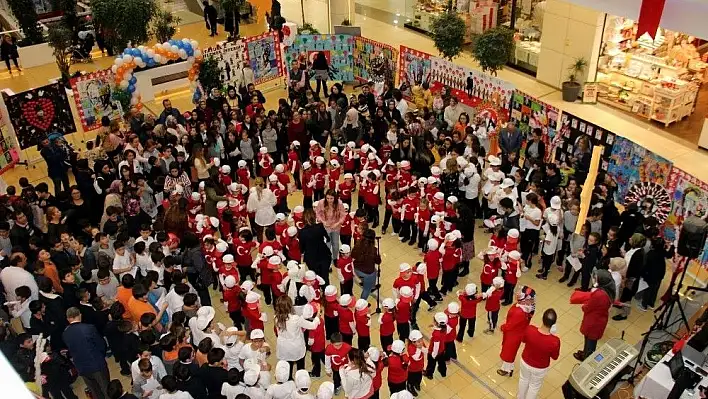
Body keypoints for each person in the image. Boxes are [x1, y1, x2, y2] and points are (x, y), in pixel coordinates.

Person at [63, 307, 110, 399]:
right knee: (106, 389)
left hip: (81, 367)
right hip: (96, 364)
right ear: (80, 315)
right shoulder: (89, 328)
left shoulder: (65, 333)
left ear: (68, 319)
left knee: (94, 391)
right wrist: (101, 356)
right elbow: (101, 344)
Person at [517, 309, 561, 399]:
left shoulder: (530, 329)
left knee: (523, 380)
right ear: (554, 324)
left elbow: (523, 340)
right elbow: (555, 357)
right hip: (540, 367)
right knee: (534, 386)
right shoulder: (555, 341)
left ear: (542, 318)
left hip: (525, 361)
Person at [273, 295, 320, 378]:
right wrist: (318, 314)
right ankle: (300, 379)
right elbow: (313, 326)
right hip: (296, 345)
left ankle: (288, 379)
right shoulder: (295, 319)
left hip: (283, 346)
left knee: (288, 365)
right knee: (300, 364)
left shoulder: (276, 317)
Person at [573, 269, 614, 361]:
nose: (594, 280)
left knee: (590, 341)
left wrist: (584, 305)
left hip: (593, 321)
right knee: (591, 340)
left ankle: (587, 358)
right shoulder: (609, 290)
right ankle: (585, 353)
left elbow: (588, 307)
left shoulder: (599, 294)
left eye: (595, 278)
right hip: (599, 319)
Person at [299, 208, 332, 285]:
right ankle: (326, 293)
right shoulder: (320, 226)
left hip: (311, 258)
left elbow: (302, 248)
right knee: (325, 277)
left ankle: (317, 293)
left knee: (315, 277)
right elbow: (327, 238)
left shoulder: (302, 232)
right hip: (324, 255)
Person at [315, 190, 347, 266]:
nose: (329, 200)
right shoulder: (321, 203)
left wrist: (337, 223)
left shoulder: (339, 203)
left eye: (331, 198)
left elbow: (343, 215)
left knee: (335, 245)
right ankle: (327, 258)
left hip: (336, 227)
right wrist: (323, 221)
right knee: (327, 245)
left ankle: (335, 258)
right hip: (325, 227)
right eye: (328, 198)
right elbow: (317, 213)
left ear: (335, 198)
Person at [351, 228, 381, 301]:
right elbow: (378, 261)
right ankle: (362, 303)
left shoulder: (357, 245)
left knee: (375, 272)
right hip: (368, 273)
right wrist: (378, 255)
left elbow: (353, 255)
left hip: (357, 269)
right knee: (366, 290)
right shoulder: (373, 250)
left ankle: (371, 285)